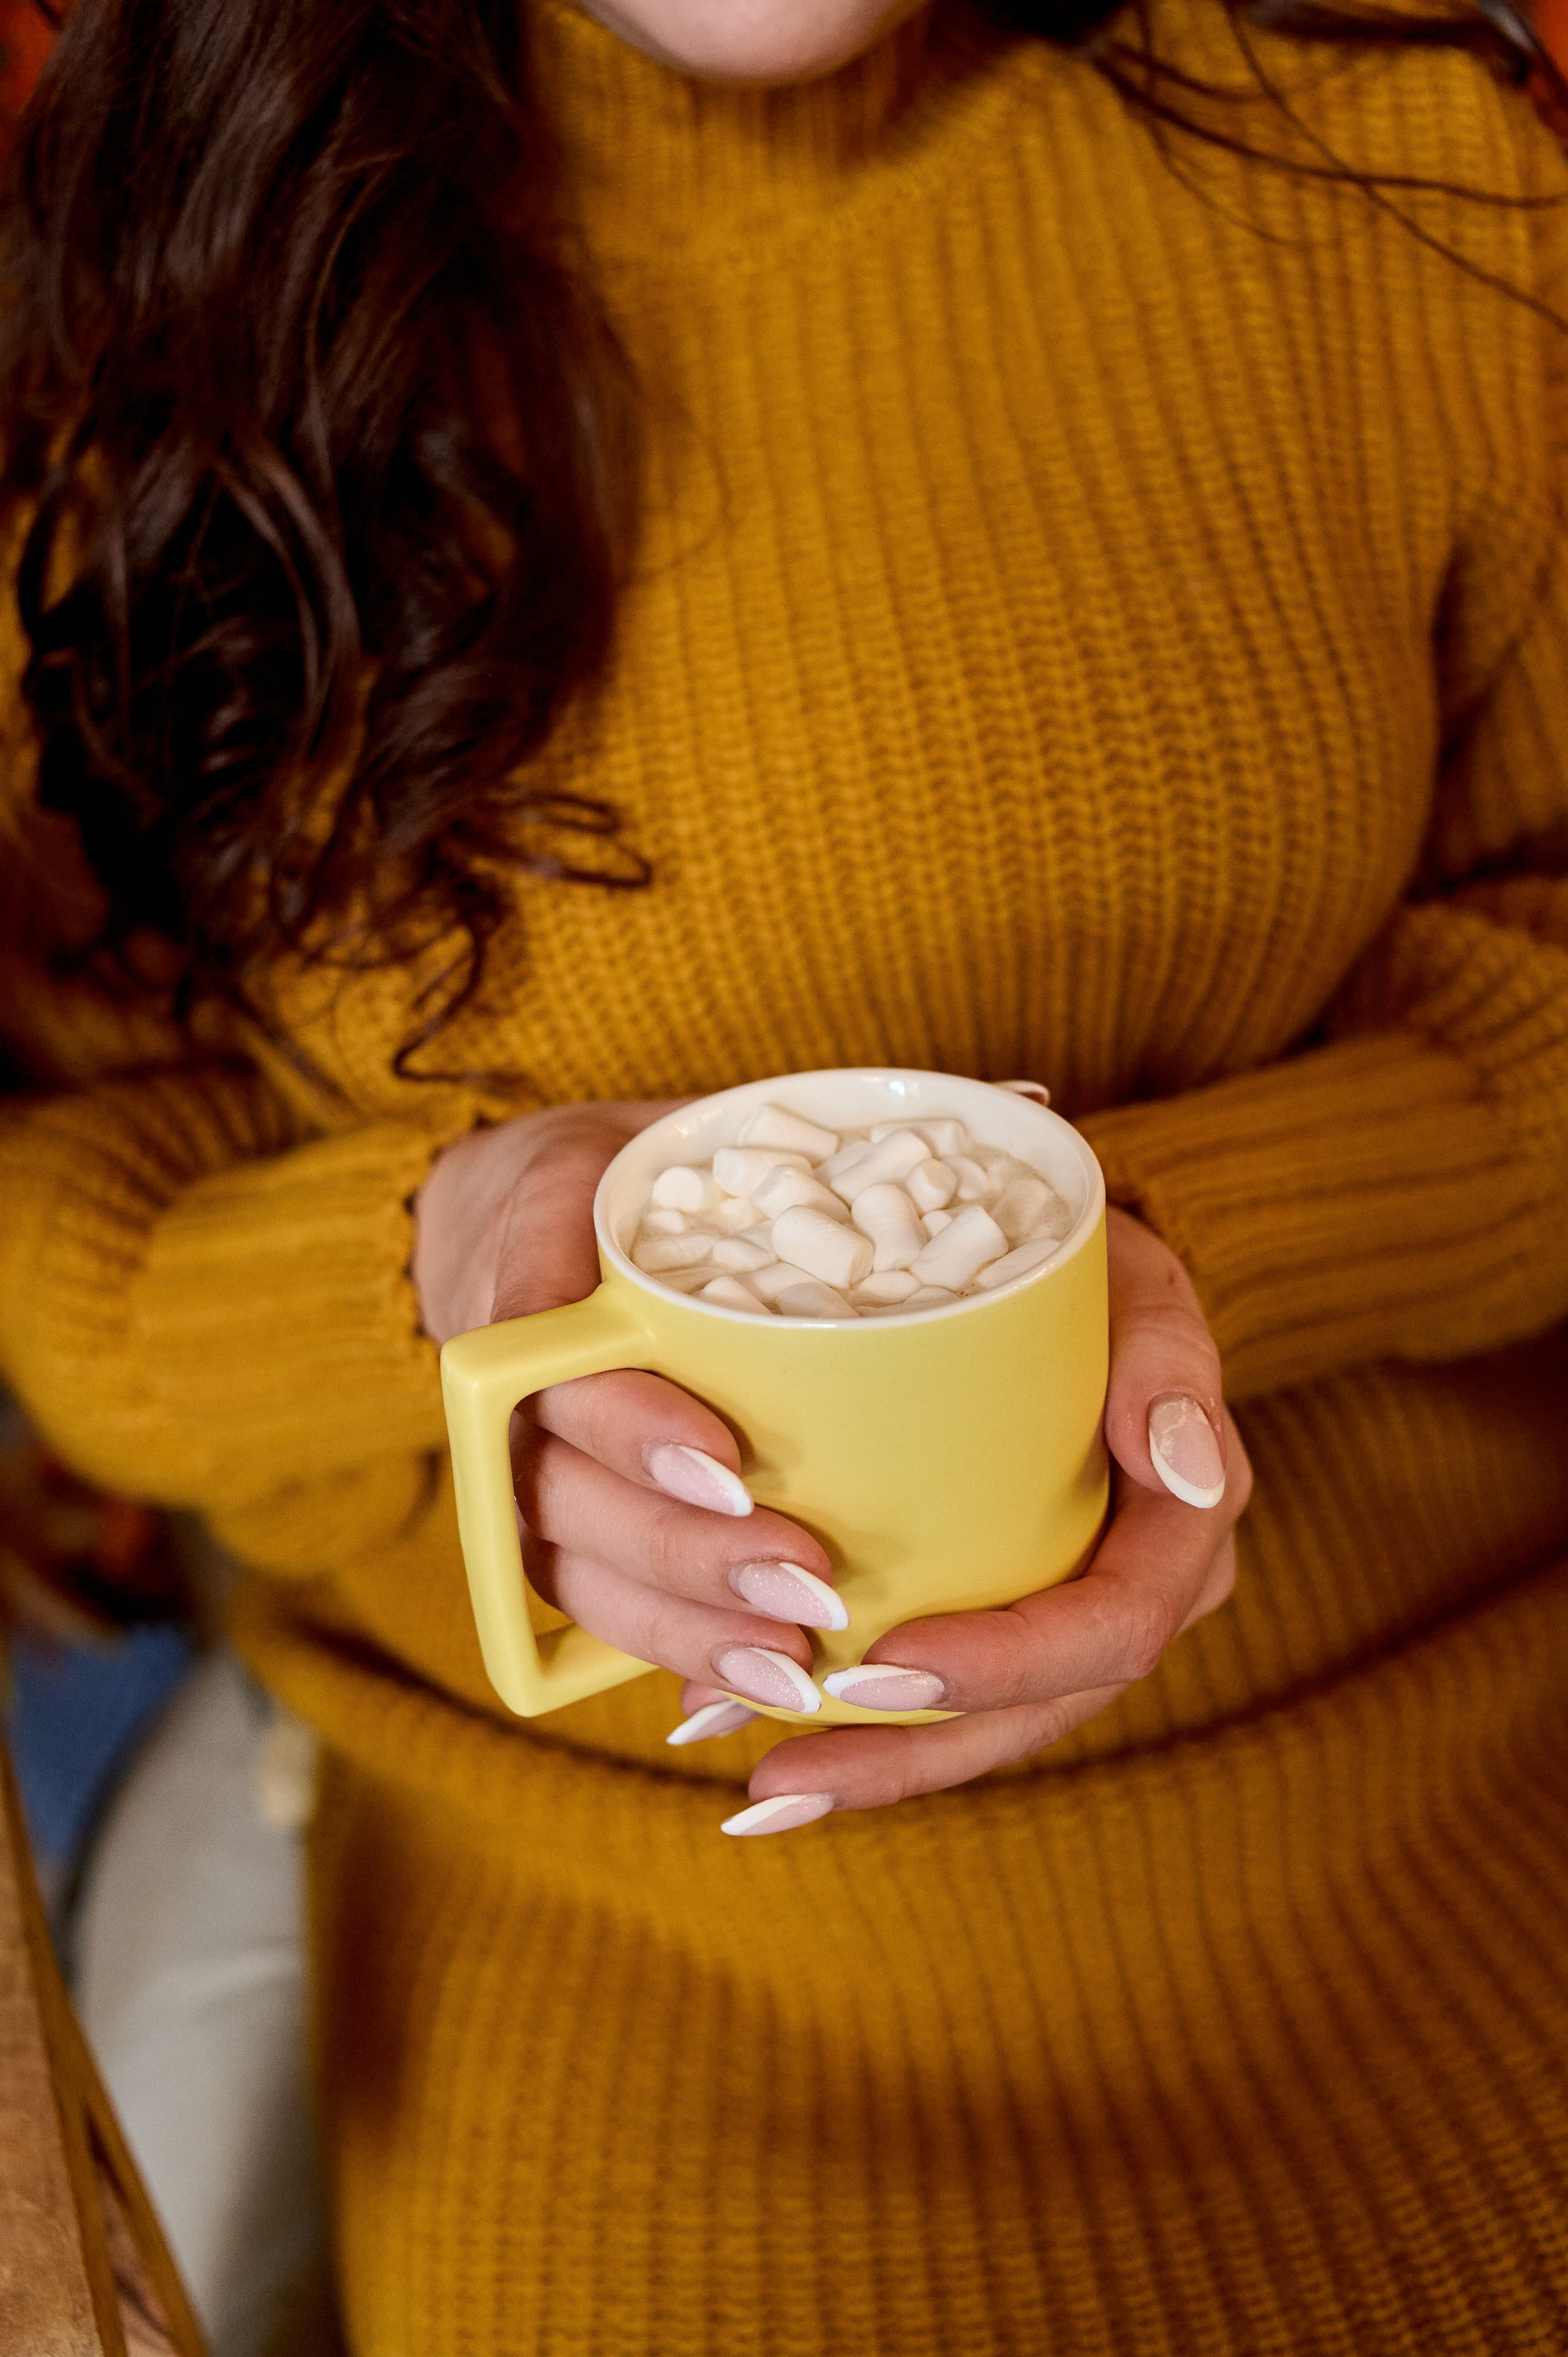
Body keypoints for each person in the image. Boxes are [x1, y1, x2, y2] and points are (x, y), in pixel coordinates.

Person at [2, 0, 1566, 2348]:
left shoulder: (1415, 166)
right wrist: (434, 1264)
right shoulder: (152, 306)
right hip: (611, 1936)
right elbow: (67, 1214)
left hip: (1460, 1799)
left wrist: (1193, 1251)